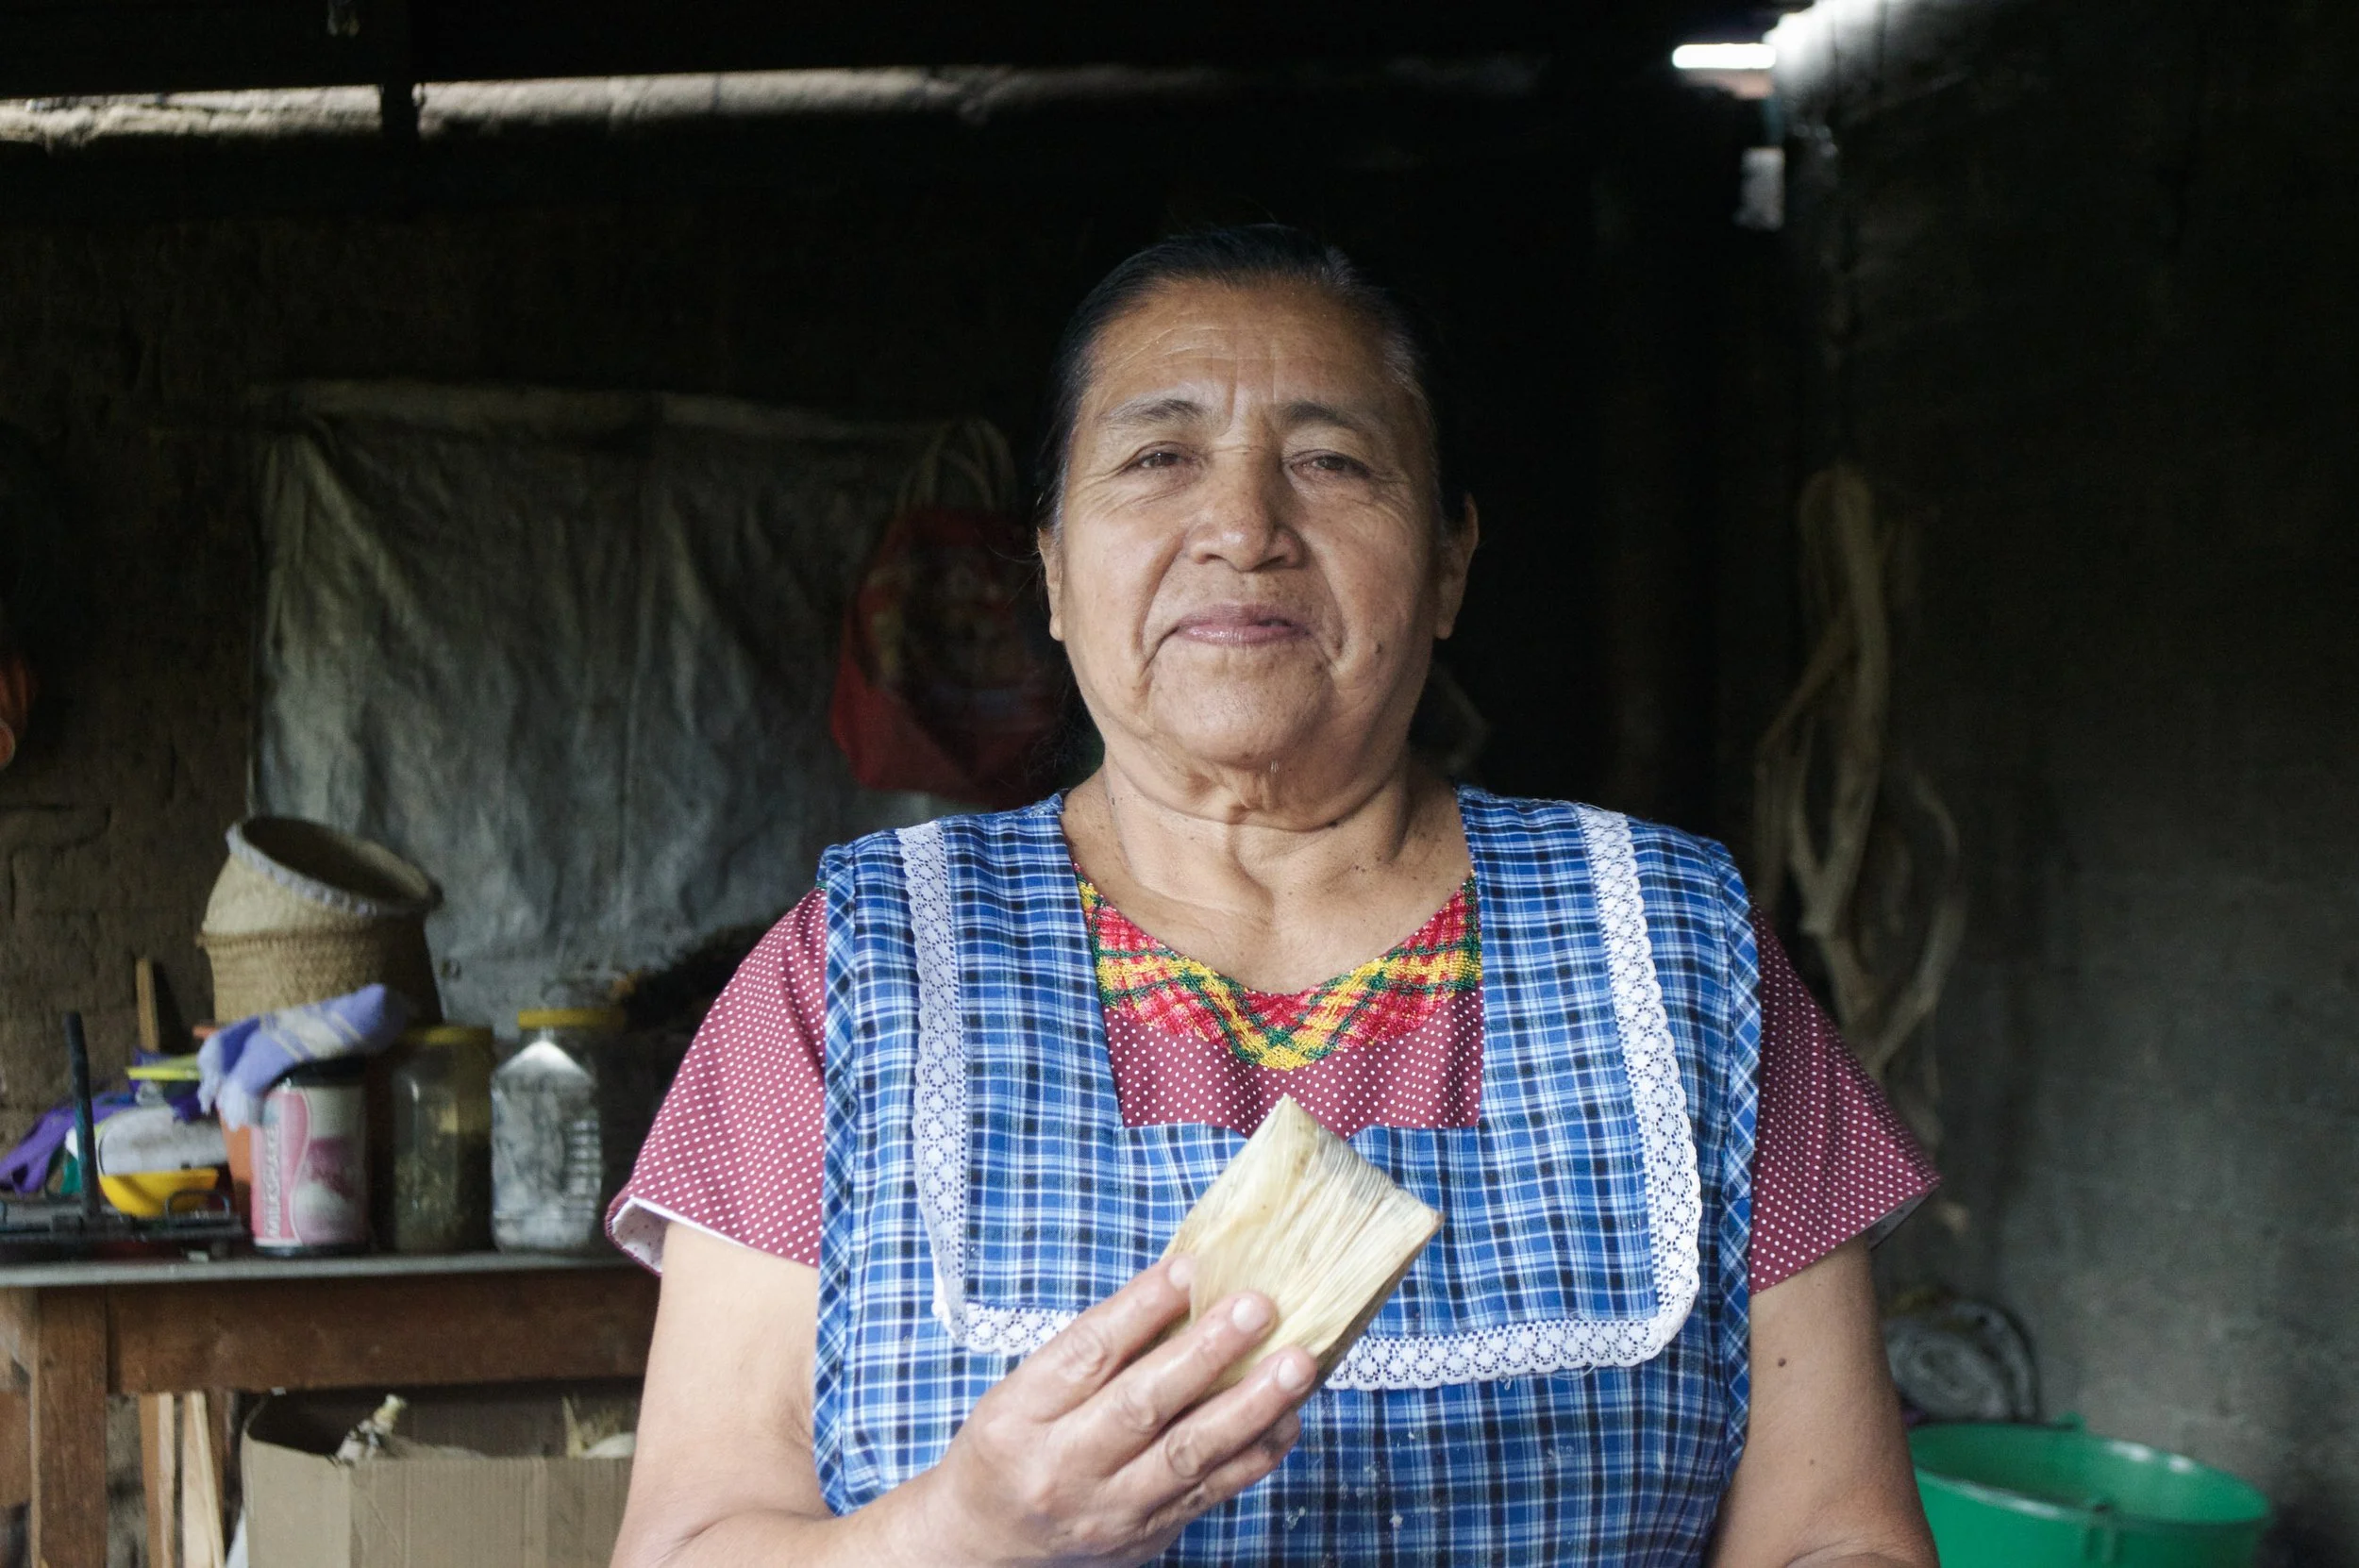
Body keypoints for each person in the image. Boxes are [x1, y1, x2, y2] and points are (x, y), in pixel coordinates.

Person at [606, 225, 1941, 1566]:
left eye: (1331, 462)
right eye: (1158, 458)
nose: (1244, 530)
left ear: (1451, 560)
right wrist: (955, 1534)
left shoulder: (1683, 951)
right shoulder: (854, 972)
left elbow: (1838, 1537)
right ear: (1054, 568)